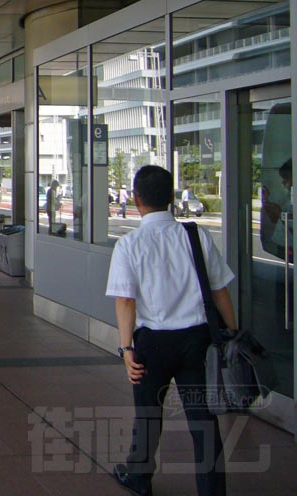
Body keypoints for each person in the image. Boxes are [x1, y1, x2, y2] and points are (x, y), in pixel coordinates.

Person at [106, 165, 236, 496]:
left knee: (148, 416)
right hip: (197, 342)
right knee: (203, 421)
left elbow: (126, 301)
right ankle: (212, 491)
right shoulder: (196, 236)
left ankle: (139, 480)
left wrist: (126, 349)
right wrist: (232, 334)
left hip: (153, 345)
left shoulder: (129, 244)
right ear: (170, 198)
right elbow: (220, 290)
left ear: (136, 200)